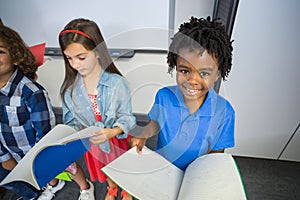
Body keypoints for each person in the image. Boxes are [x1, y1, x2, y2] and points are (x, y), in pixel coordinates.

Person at [130, 16, 235, 170]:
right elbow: (155, 123)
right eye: (185, 71)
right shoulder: (164, 96)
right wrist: (143, 134)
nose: (192, 80)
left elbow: (216, 155)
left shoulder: (225, 112)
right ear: (175, 66)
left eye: (204, 73)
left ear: (218, 74)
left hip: (196, 175)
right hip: (162, 167)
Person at [59, 18, 136, 200]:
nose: (75, 65)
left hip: (116, 140)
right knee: (104, 168)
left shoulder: (117, 83)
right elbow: (70, 122)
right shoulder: (69, 90)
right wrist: (77, 134)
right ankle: (111, 188)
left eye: (81, 57)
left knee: (122, 167)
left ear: (98, 52)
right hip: (92, 144)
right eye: (69, 58)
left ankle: (127, 189)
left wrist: (113, 131)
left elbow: (128, 118)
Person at [0, 25, 62, 199]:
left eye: (0, 52)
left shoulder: (32, 93)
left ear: (16, 57)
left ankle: (47, 186)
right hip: (8, 156)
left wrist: (34, 163)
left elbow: (45, 135)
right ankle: (32, 194)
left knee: (37, 178)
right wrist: (4, 157)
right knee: (13, 181)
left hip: (31, 159)